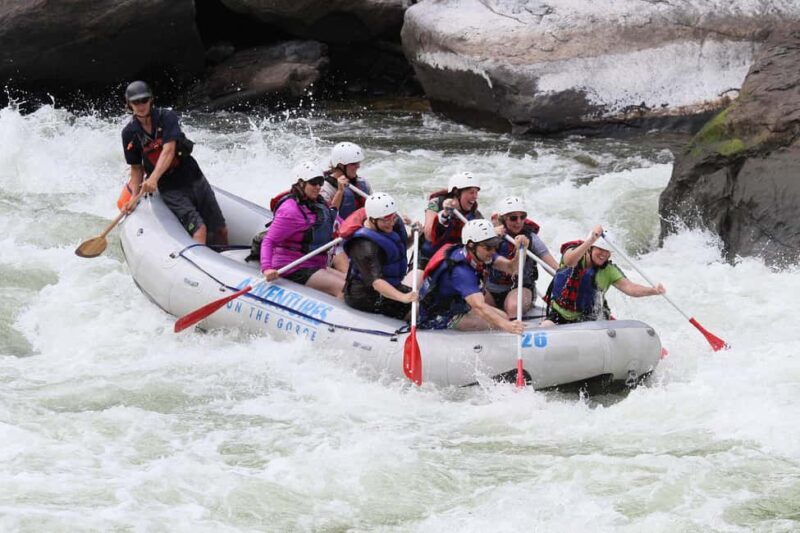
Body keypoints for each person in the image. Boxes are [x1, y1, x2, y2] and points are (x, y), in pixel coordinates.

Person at [120, 81, 227, 245]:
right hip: (170, 187)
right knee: (200, 230)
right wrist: (134, 197)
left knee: (220, 230)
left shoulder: (167, 117)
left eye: (144, 100)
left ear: (151, 100)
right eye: (136, 102)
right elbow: (136, 169)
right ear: (129, 104)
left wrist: (153, 177)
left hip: (193, 177)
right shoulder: (129, 133)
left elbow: (168, 150)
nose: (141, 105)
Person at [417, 219, 527, 334]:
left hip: (457, 306)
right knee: (498, 323)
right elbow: (479, 306)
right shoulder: (460, 271)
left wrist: (521, 250)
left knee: (503, 316)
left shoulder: (478, 254)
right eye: (489, 247)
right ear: (471, 245)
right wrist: (507, 326)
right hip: (438, 316)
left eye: (495, 245)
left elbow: (512, 268)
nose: (493, 251)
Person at [541, 225, 666, 326]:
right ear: (590, 248)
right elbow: (569, 262)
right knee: (546, 327)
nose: (604, 254)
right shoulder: (574, 253)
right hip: (559, 314)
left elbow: (631, 288)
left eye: (607, 251)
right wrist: (591, 240)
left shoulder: (609, 270)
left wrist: (653, 291)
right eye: (600, 249)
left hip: (589, 317)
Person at [260, 162, 346, 298]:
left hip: (314, 262)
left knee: (351, 282)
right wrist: (267, 268)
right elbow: (269, 240)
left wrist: (340, 192)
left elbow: (331, 216)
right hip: (293, 266)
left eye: (320, 182)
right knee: (344, 288)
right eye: (313, 183)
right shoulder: (290, 211)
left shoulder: (316, 202)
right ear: (300, 183)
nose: (318, 187)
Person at [339, 193, 418, 319]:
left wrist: (414, 236)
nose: (391, 223)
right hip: (365, 295)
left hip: (389, 286)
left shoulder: (390, 226)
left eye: (393, 218)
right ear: (372, 219)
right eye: (386, 220)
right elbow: (376, 282)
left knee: (426, 302)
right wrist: (403, 297)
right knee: (417, 309)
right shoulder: (364, 245)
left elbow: (397, 251)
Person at [486, 196, 559, 318]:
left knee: (512, 307)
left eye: (522, 217)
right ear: (503, 219)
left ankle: (512, 321)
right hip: (491, 290)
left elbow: (553, 267)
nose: (519, 221)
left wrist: (570, 282)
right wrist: (491, 234)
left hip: (521, 288)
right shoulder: (490, 235)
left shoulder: (531, 238)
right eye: (513, 218)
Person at [321, 142, 373, 273]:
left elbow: (373, 210)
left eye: (358, 163)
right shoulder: (324, 188)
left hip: (359, 237)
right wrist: (340, 191)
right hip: (336, 241)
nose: (358, 167)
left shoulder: (363, 183)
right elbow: (326, 220)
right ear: (340, 165)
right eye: (354, 164)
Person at [420, 171, 483, 268]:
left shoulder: (475, 214)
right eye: (471, 192)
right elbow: (429, 235)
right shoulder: (436, 203)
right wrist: (445, 214)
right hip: (428, 258)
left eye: (476, 192)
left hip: (454, 261)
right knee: (413, 282)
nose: (475, 196)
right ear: (457, 192)